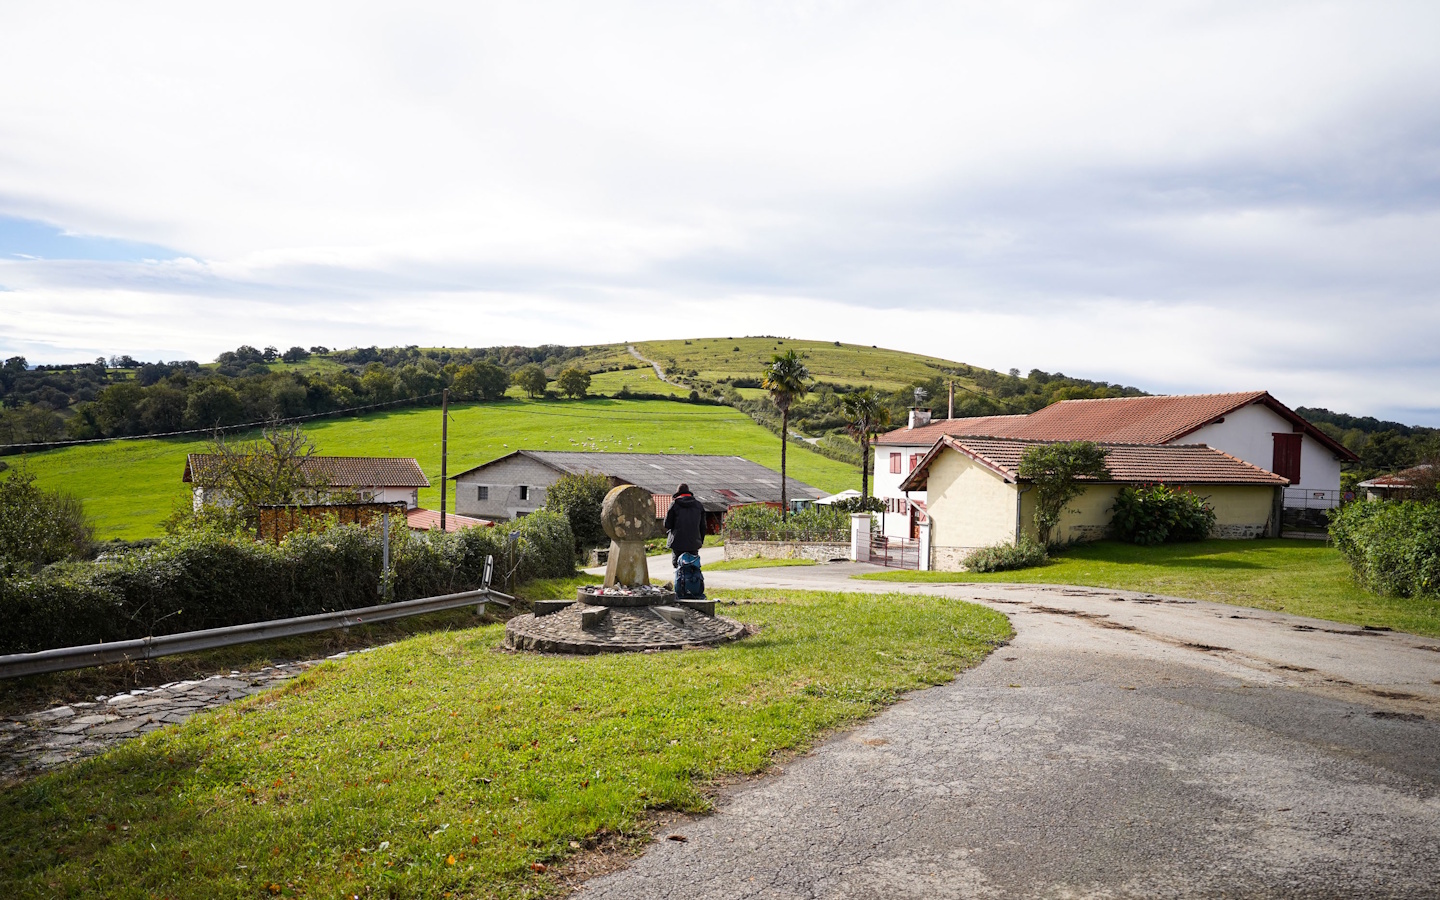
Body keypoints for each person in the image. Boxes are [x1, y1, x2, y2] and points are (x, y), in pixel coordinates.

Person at [663, 483, 705, 569]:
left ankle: (680, 582)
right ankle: (693, 582)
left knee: (678, 567)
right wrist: (700, 541)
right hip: (693, 542)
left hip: (677, 543)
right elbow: (703, 526)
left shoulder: (674, 504)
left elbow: (667, 524)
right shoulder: (698, 505)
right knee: (693, 567)